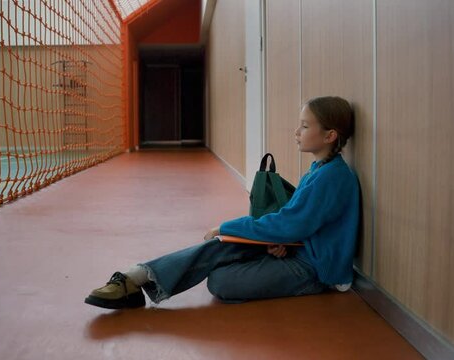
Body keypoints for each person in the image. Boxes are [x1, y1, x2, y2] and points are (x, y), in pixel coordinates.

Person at [85, 96, 360, 309]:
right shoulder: (319, 170)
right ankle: (136, 278)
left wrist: (227, 226)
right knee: (220, 248)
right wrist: (283, 242)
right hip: (297, 251)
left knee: (220, 280)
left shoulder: (332, 177)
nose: (297, 131)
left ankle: (139, 280)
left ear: (329, 135)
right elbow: (297, 224)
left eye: (305, 125)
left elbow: (290, 224)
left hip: (313, 271)